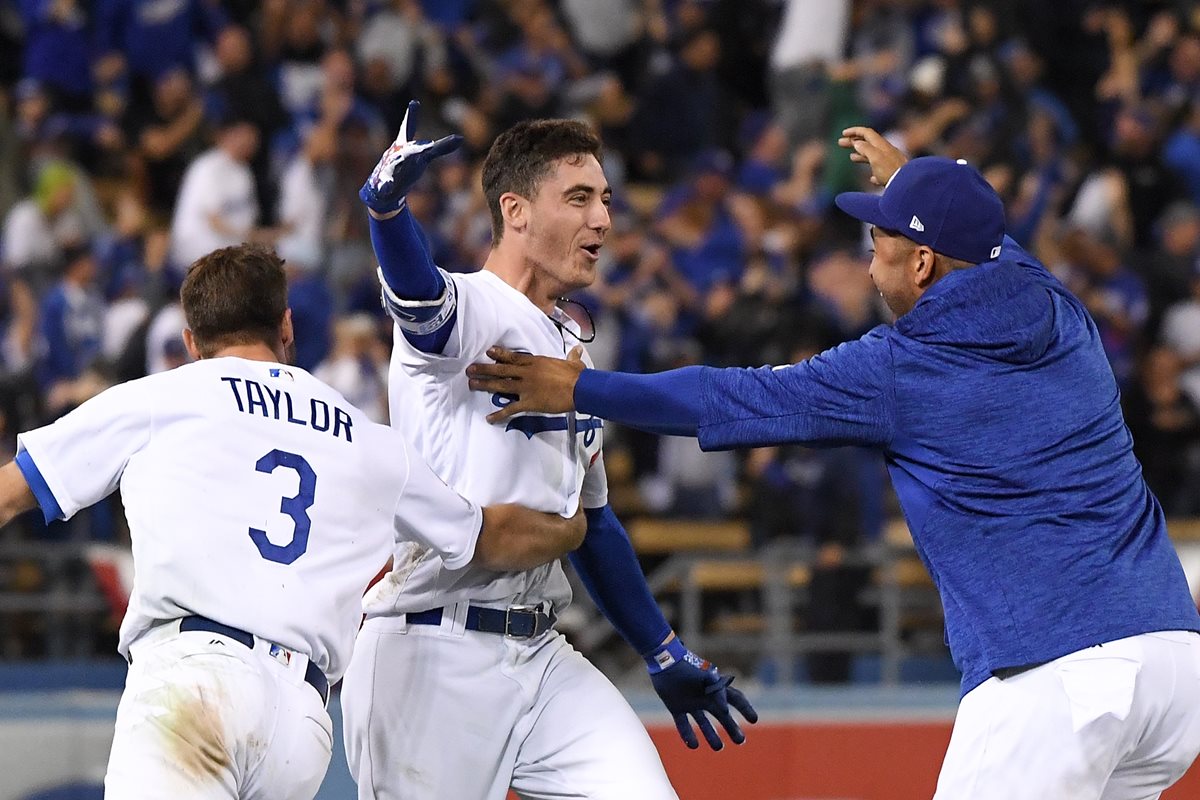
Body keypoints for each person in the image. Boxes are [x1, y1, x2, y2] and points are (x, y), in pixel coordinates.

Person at [466, 128, 1200, 799]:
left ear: (921, 262)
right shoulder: (1056, 304)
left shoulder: (900, 368)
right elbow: (986, 239)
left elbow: (725, 397)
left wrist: (579, 385)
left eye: (880, 239)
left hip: (1056, 672)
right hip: (1173, 661)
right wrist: (915, 183)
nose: (866, 256)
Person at [0, 243, 587, 800]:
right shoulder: (367, 438)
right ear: (285, 327)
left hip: (193, 679)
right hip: (300, 717)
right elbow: (489, 535)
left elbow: (9, 495)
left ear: (190, 340)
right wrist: (575, 527)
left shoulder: (161, 397)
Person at [340, 102, 756, 800]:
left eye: (606, 200)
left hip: (540, 651)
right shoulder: (473, 309)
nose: (604, 219)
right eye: (579, 197)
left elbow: (595, 526)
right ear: (517, 211)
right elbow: (418, 297)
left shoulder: (570, 358)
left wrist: (661, 649)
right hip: (433, 651)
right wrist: (386, 211)